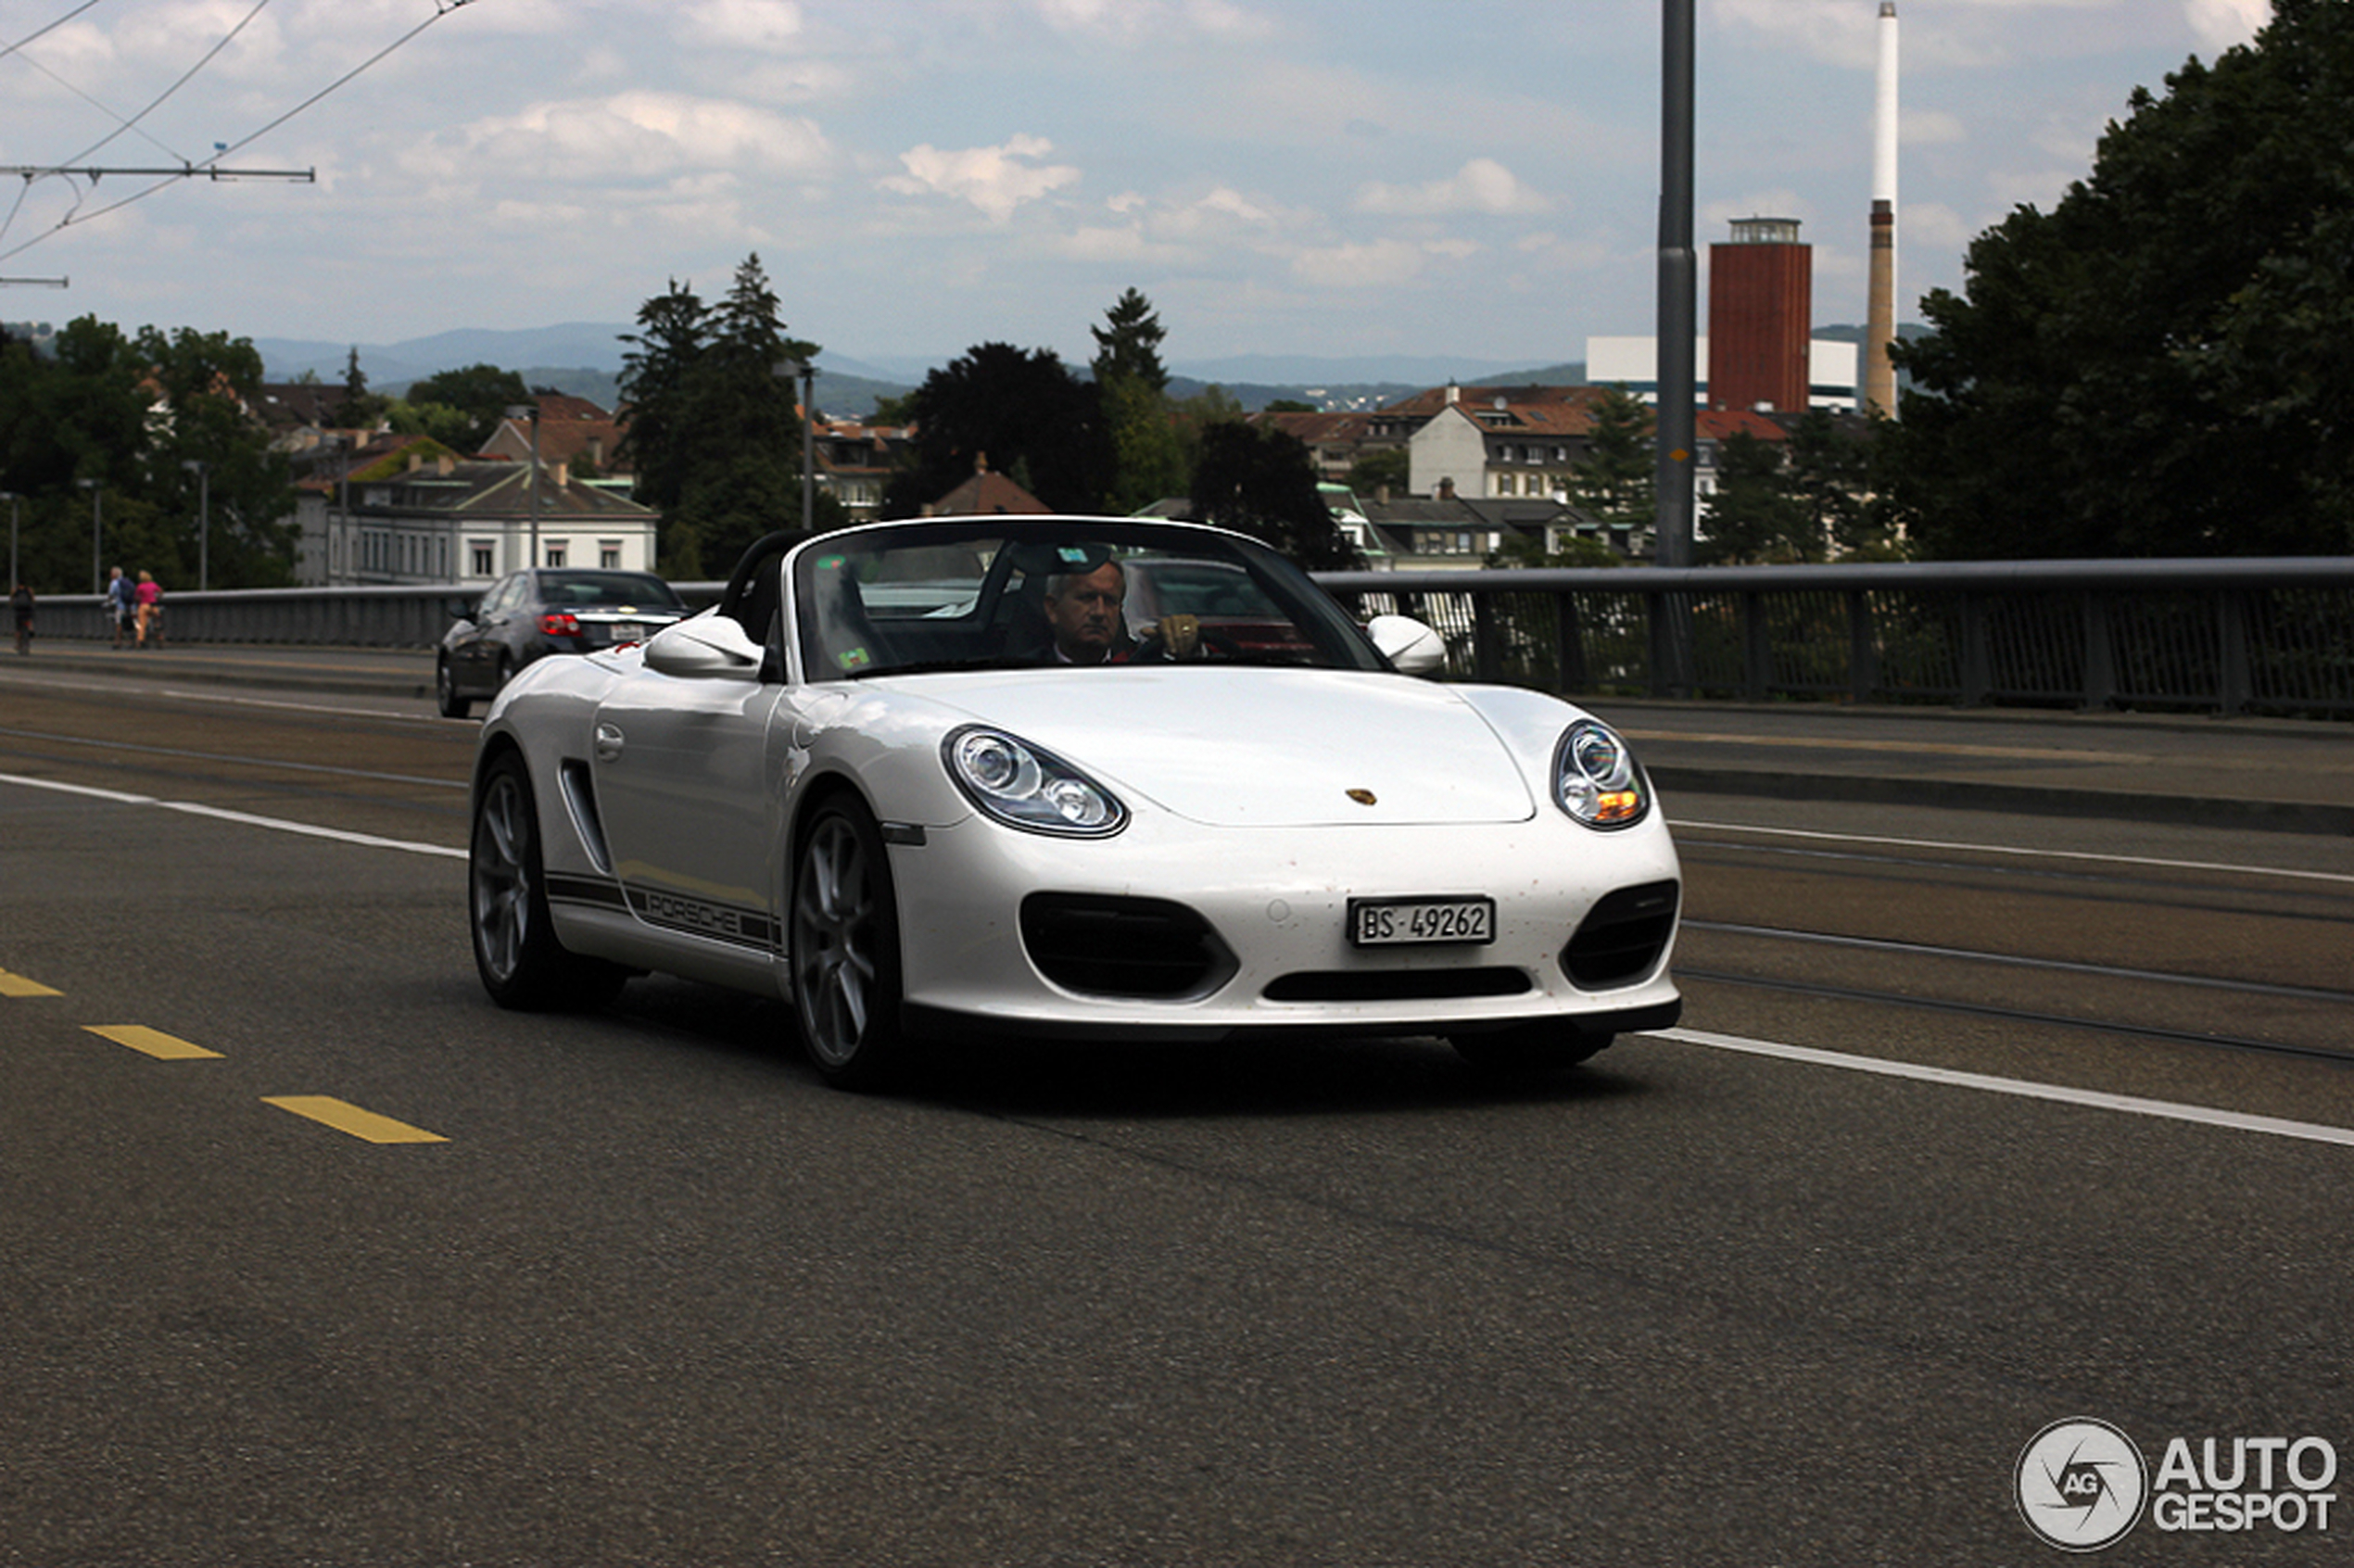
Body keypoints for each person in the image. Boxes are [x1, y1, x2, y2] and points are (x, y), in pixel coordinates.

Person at [1039, 557, 1200, 664]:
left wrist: (1187, 644)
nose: (1099, 612)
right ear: (1052, 608)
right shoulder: (1021, 671)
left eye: (1110, 601)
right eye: (1087, 598)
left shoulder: (1144, 666)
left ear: (1120, 609)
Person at [104, 565, 134, 648]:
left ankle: (118, 642)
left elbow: (111, 595)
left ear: (114, 575)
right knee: (131, 624)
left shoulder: (114, 583)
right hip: (130, 606)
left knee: (119, 624)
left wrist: (109, 602)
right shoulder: (127, 581)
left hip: (120, 606)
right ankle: (133, 642)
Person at [133, 570, 163, 648]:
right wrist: (157, 598)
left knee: (142, 625)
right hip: (153, 605)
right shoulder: (153, 584)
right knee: (157, 622)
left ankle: (140, 641)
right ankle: (159, 639)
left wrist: (139, 600)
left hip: (144, 605)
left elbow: (136, 597)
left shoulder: (140, 586)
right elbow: (160, 591)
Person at [9, 582, 32, 655]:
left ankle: (19, 644)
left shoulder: (16, 591)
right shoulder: (28, 590)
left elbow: (12, 602)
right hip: (27, 613)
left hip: (19, 613)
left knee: (18, 629)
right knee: (27, 625)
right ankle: (30, 632)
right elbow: (33, 600)